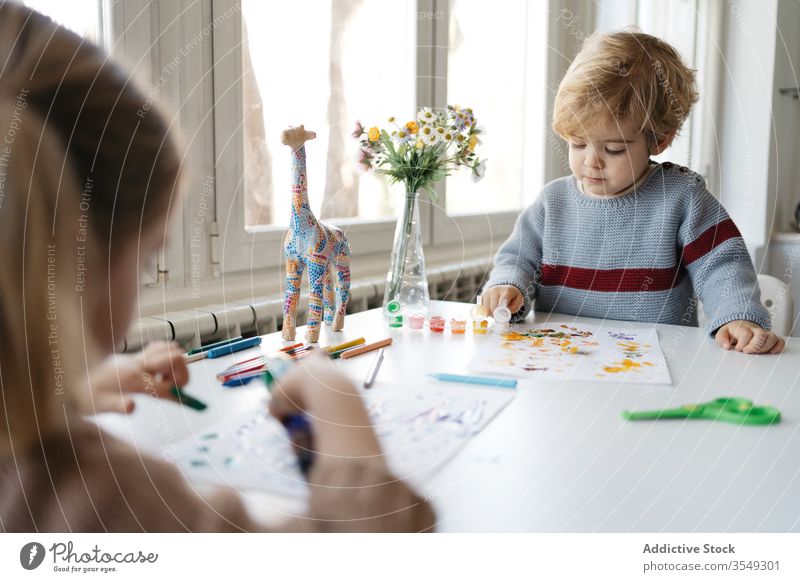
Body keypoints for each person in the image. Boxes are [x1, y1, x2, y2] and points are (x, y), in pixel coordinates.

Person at [0, 3, 434, 532]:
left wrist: (62, 382)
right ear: (70, 262)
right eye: (149, 259)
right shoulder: (96, 496)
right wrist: (339, 403)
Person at [482, 31, 784, 355]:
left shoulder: (682, 198)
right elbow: (518, 258)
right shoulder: (552, 203)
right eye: (578, 144)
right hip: (559, 362)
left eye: (613, 149)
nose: (591, 161)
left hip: (659, 362)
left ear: (659, 140)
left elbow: (722, 266)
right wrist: (508, 286)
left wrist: (736, 317)